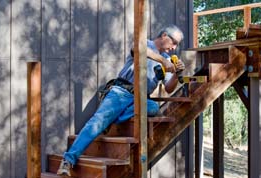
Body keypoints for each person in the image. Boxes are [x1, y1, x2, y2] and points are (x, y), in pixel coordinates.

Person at [57, 24, 185, 176]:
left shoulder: (168, 59)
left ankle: (114, 118)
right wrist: (163, 62)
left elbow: (169, 89)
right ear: (164, 36)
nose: (175, 47)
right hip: (122, 91)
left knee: (154, 109)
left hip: (142, 98)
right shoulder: (145, 44)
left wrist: (177, 74)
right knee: (97, 121)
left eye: (177, 44)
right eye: (174, 42)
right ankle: (68, 160)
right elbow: (138, 49)